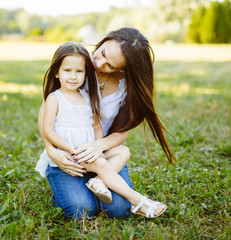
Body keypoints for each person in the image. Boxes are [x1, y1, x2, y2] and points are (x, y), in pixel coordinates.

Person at [37, 27, 176, 219]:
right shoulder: (78, 65)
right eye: (101, 53)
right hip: (69, 154)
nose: (98, 63)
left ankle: (99, 182)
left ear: (123, 68)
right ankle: (130, 199)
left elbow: (119, 131)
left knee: (118, 209)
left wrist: (98, 146)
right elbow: (46, 114)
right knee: (81, 209)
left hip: (100, 152)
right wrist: (52, 150)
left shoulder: (128, 87)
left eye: (110, 65)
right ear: (104, 41)